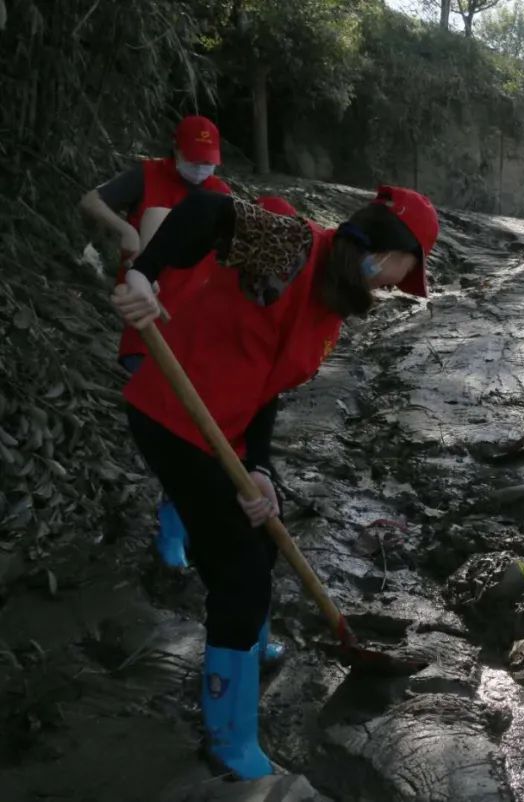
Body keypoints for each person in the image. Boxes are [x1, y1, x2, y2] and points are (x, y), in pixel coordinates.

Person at [110, 185, 439, 779]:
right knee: (237, 572)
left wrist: (259, 468)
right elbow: (209, 211)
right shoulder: (291, 246)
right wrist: (144, 274)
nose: (395, 285)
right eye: (403, 271)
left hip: (228, 430)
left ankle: (251, 648)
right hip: (174, 416)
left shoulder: (332, 301)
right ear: (390, 248)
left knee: (262, 535)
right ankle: (229, 740)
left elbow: (268, 390)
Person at [78, 114, 231, 570]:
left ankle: (176, 530)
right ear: (175, 150)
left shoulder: (219, 196)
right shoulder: (146, 176)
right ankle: (173, 533)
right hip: (147, 325)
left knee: (194, 436)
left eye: (209, 162)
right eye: (193, 160)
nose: (201, 170)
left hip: (196, 332)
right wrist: (126, 231)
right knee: (173, 433)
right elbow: (91, 200)